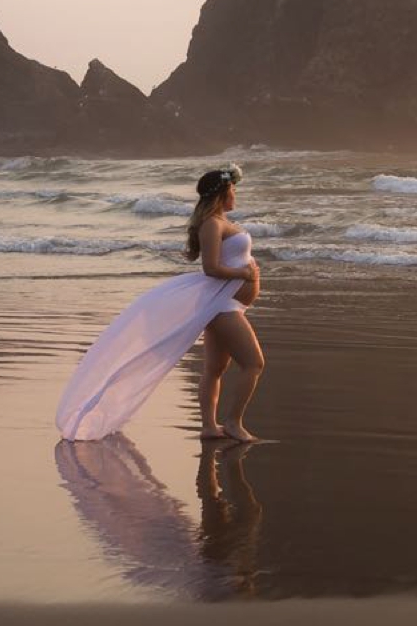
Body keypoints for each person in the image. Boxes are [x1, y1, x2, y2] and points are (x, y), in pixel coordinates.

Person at [53, 163, 266, 442]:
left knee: (215, 369)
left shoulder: (223, 222)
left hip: (228, 304)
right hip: (222, 305)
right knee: (254, 363)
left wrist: (247, 268)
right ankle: (234, 422)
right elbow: (210, 268)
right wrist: (244, 272)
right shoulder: (213, 224)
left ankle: (209, 427)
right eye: (233, 189)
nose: (235, 194)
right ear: (222, 192)